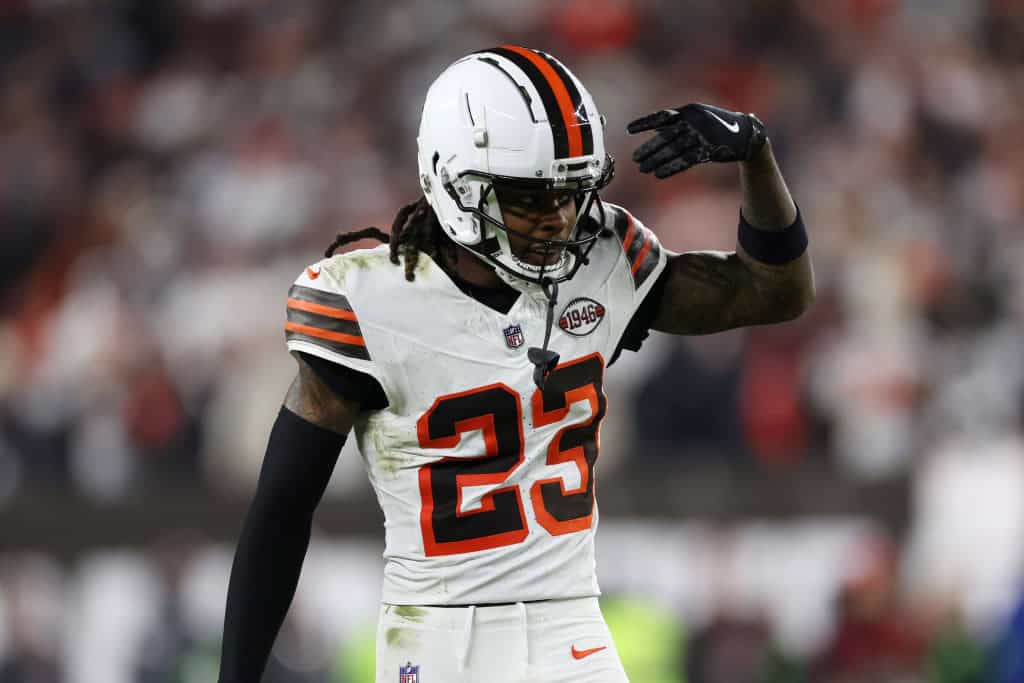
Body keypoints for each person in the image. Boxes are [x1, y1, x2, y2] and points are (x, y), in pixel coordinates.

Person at [217, 45, 814, 683]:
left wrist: (756, 156)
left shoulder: (606, 260)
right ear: (453, 182)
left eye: (571, 192)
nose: (558, 219)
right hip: (439, 636)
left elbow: (776, 291)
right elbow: (281, 510)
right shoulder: (369, 299)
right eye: (531, 197)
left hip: (574, 627)